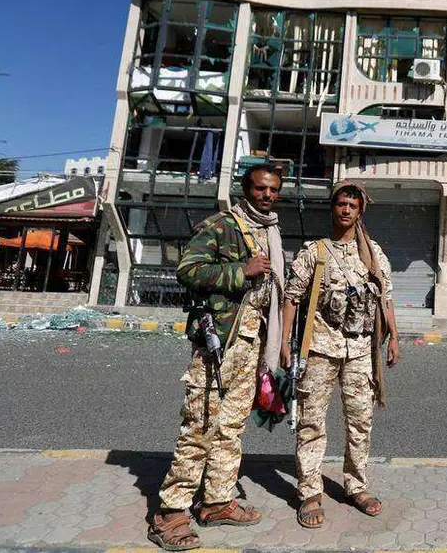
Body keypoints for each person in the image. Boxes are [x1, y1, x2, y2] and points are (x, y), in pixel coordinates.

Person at [147, 165, 285, 551]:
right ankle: (171, 512)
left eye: (273, 190)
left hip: (251, 343)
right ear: (246, 189)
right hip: (219, 341)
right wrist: (242, 270)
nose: (267, 195)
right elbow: (187, 270)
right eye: (260, 188)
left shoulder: (270, 230)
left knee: (231, 427)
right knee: (200, 424)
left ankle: (217, 501)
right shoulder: (223, 225)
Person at [281, 181, 400, 529]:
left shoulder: (373, 254)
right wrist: (286, 343)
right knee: (311, 422)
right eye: (341, 204)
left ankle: (356, 486)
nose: (346, 210)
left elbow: (385, 298)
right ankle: (309, 492)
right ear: (332, 208)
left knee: (360, 421)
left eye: (352, 205)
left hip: (361, 349)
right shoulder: (314, 252)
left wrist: (394, 338)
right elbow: (292, 298)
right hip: (319, 348)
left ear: (360, 211)